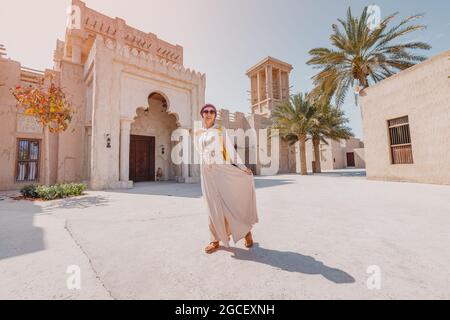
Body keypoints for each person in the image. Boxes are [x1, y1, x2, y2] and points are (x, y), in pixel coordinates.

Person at [195, 104, 259, 254]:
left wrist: (243, 168)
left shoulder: (220, 131)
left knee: (230, 203)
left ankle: (246, 231)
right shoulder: (198, 133)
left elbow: (231, 152)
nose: (209, 114)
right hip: (206, 172)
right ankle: (215, 240)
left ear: (215, 115)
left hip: (222, 170)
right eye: (206, 111)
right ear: (202, 115)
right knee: (212, 206)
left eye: (212, 112)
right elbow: (201, 152)